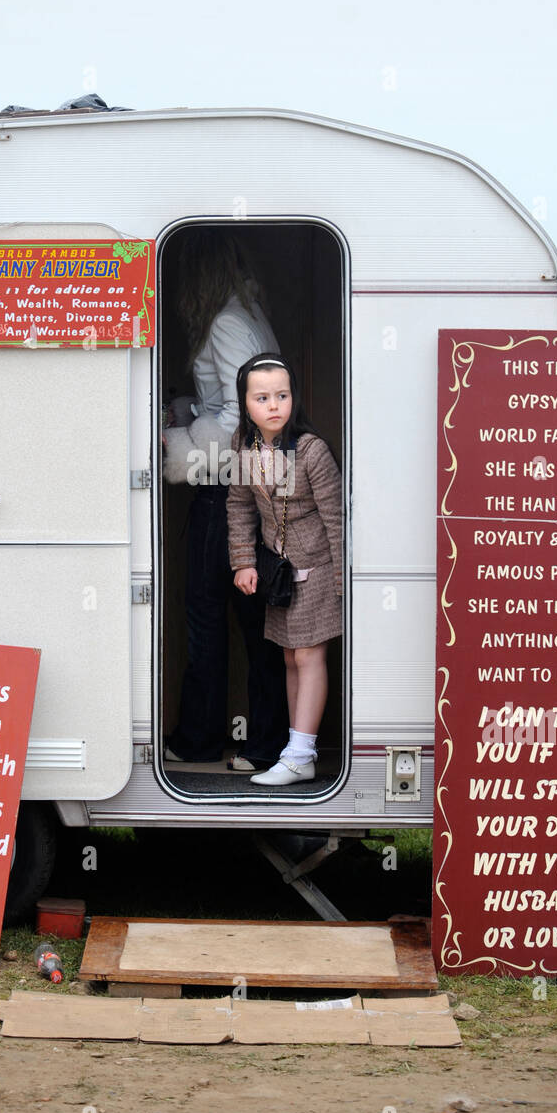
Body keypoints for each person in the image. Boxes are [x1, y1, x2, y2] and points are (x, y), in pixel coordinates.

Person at [162, 231, 289, 770]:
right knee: (252, 624)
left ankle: (204, 740)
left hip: (226, 491)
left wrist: (179, 447)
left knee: (209, 621)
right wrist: (191, 410)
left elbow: (244, 417)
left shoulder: (225, 321)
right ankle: (260, 743)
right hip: (251, 489)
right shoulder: (250, 313)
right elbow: (229, 402)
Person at [227, 353, 342, 785]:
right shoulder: (245, 447)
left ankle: (299, 754)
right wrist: (242, 562)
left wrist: (340, 583)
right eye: (262, 397)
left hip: (318, 568)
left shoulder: (312, 450)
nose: (274, 405)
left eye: (282, 395)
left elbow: (336, 517)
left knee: (310, 656)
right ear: (246, 404)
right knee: (291, 658)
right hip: (279, 575)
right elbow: (238, 507)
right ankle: (299, 753)